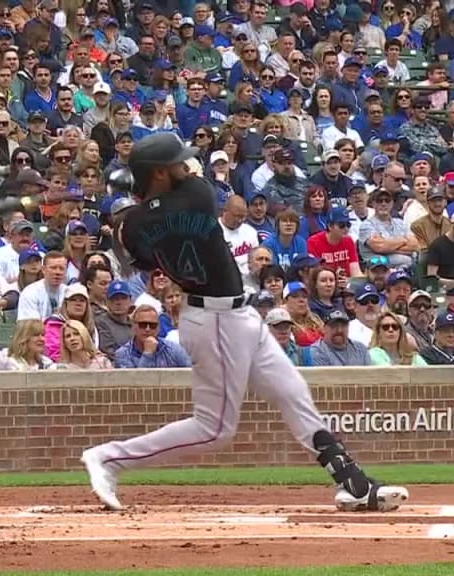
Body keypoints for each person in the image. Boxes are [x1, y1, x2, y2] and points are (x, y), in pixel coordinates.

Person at [82, 133, 408, 513]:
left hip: (237, 313)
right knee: (214, 429)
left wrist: (130, 210)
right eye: (174, 163)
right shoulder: (185, 198)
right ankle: (109, 458)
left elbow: (137, 245)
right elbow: (170, 205)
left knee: (292, 392)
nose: (185, 166)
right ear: (157, 173)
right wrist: (144, 203)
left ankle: (350, 480)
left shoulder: (145, 219)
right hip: (213, 319)